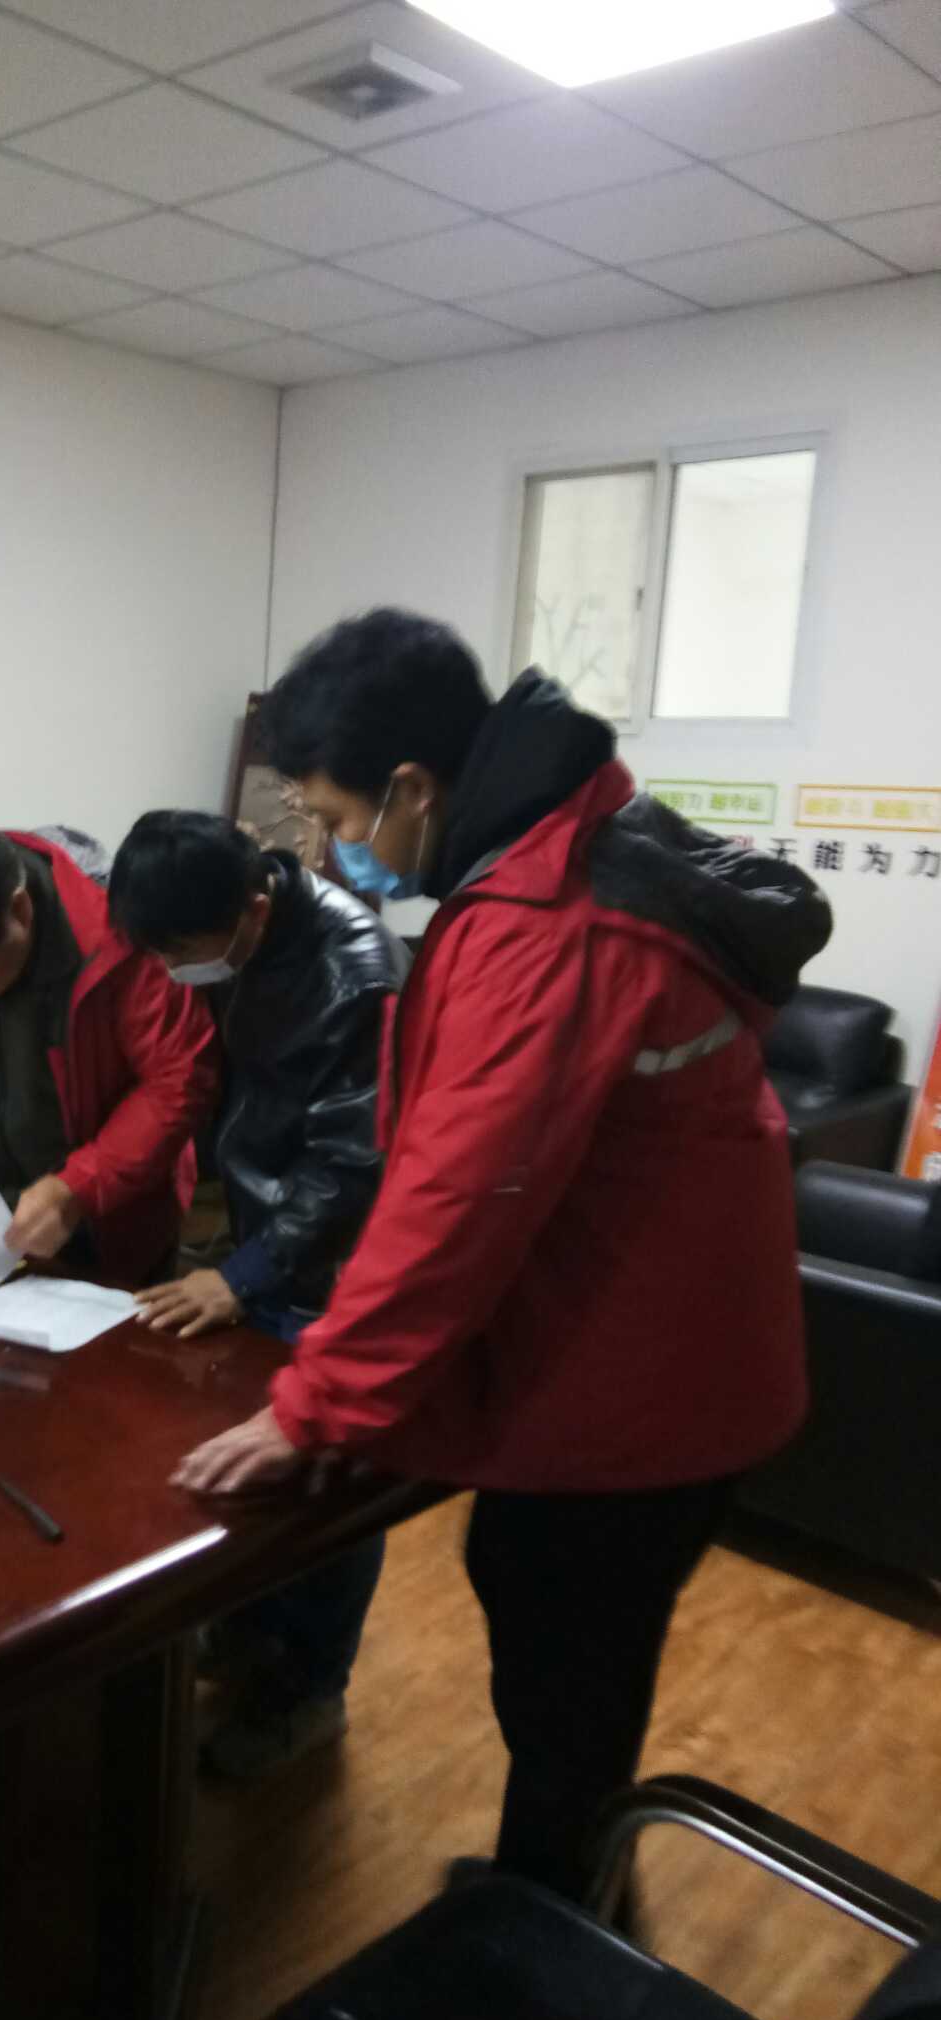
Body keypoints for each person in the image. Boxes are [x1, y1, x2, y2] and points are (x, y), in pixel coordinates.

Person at [173, 608, 831, 1901]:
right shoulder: (556, 851)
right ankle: (568, 1901)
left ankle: (553, 1941)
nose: (337, 847)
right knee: (544, 1627)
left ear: (414, 787)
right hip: (655, 1349)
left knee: (566, 1681)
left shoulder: (547, 925)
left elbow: (458, 1198)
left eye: (342, 818)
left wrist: (314, 1403)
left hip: (651, 1393)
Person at [107, 811, 409, 1776]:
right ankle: (251, 1635)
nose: (172, 970)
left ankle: (311, 1690)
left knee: (323, 1483)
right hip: (267, 1237)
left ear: (253, 907)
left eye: (180, 951)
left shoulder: (356, 975)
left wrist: (242, 1277)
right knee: (249, 1457)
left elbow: (349, 1166)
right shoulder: (238, 935)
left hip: (336, 1267)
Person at [0, 812, 218, 1281]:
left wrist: (79, 1186)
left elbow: (178, 1079)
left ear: (20, 910)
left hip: (106, 1225)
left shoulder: (121, 936)